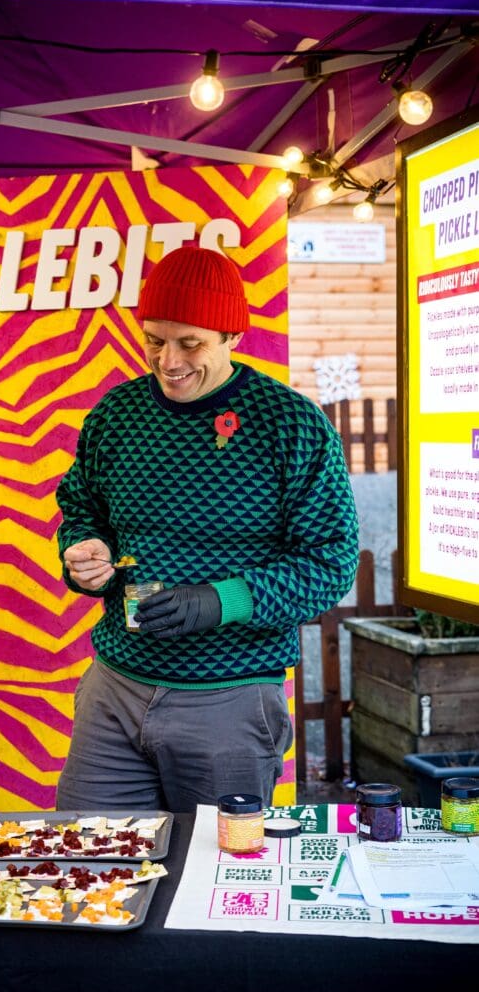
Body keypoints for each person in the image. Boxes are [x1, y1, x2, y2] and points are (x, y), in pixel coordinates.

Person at [55, 244, 359, 813]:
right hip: (113, 691)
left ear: (232, 336)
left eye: (190, 343)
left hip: (231, 699)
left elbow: (331, 563)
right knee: (89, 851)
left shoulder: (291, 425)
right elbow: (81, 507)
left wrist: (222, 601)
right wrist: (83, 549)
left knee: (218, 862)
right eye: (154, 340)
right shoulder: (115, 415)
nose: (168, 360)